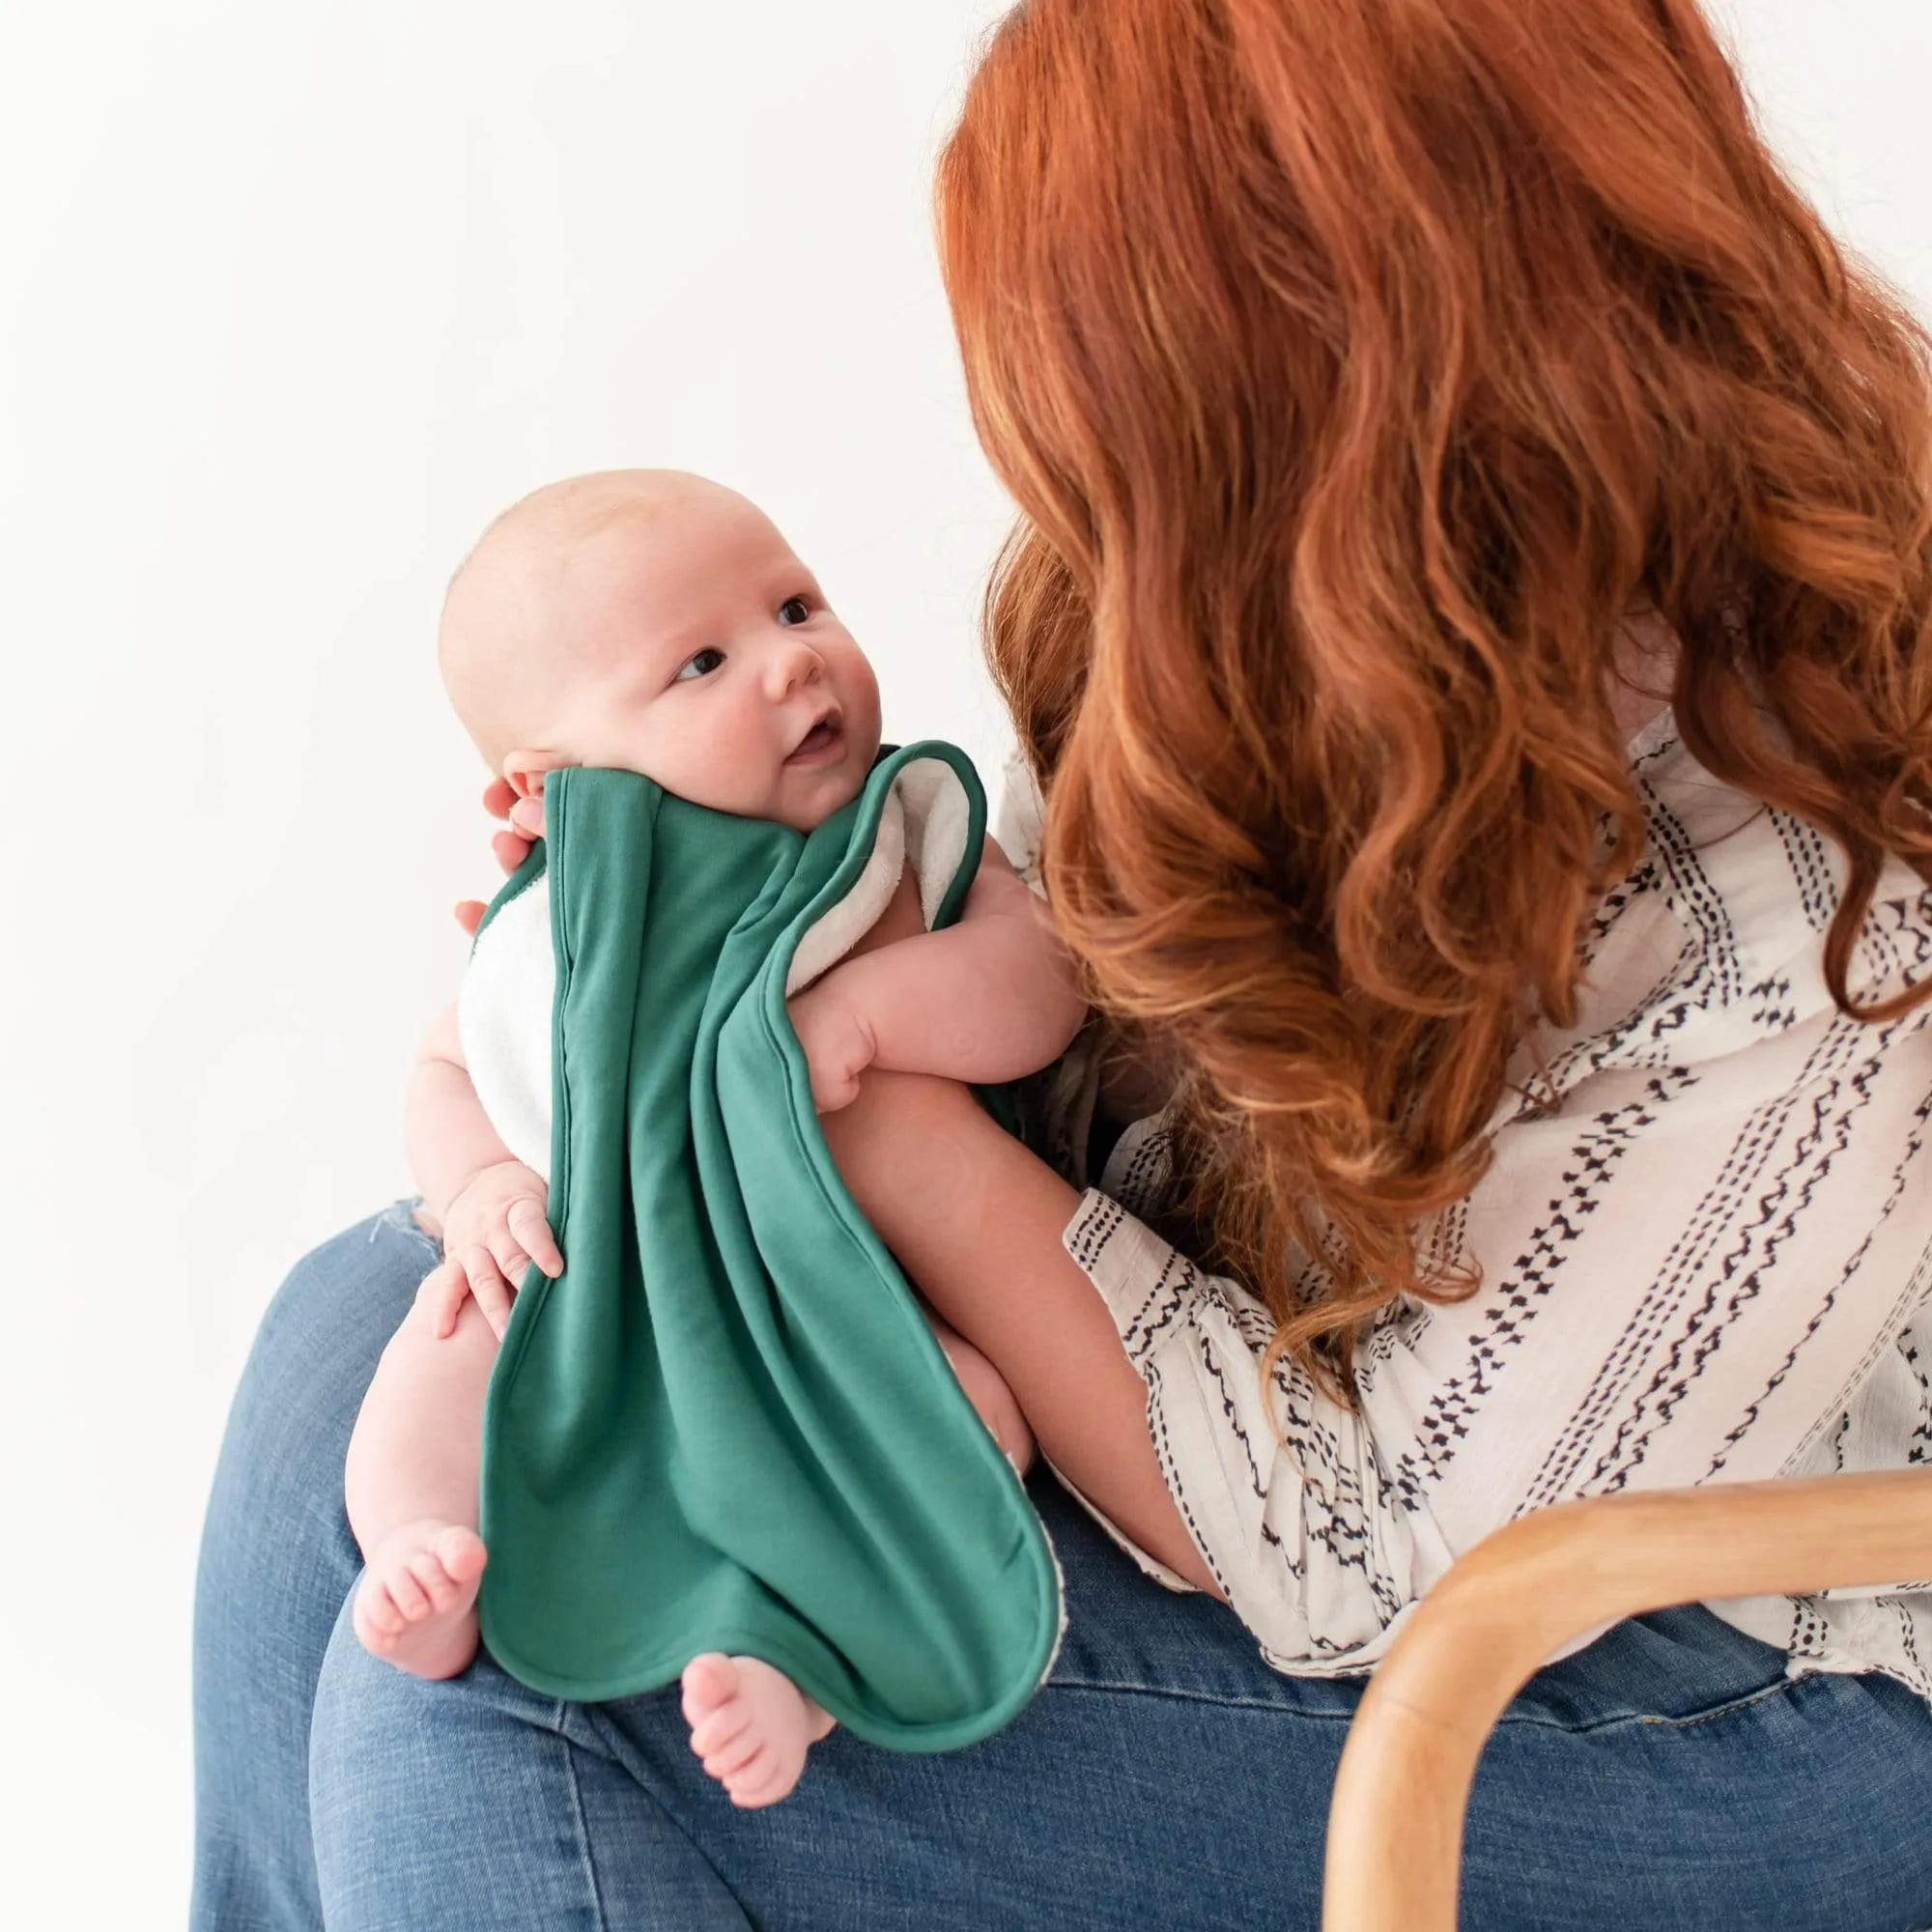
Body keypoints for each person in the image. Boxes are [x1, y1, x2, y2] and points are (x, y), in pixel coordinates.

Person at [192, 1, 1932, 1925]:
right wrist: (683, 909)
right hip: (1295, 1464)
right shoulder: (1246, 629)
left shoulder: (1821, 892)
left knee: (536, 1685)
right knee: (364, 1343)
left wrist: (817, 1103)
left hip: (1718, 1682)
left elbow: (1369, 1543)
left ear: (1298, 403)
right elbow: (1060, 1038)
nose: (1079, 499)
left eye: (1120, 434)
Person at [346, 468, 1075, 1810]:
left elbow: (1038, 985)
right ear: (556, 781)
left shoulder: (890, 843)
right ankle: (422, 1545)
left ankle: (802, 1671)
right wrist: (481, 1185)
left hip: (835, 1305)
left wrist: (867, 1013)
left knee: (981, 1418)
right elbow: (446, 1062)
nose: (793, 660)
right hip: (601, 1281)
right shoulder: (562, 915)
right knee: (435, 1350)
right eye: (700, 661)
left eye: (797, 604)